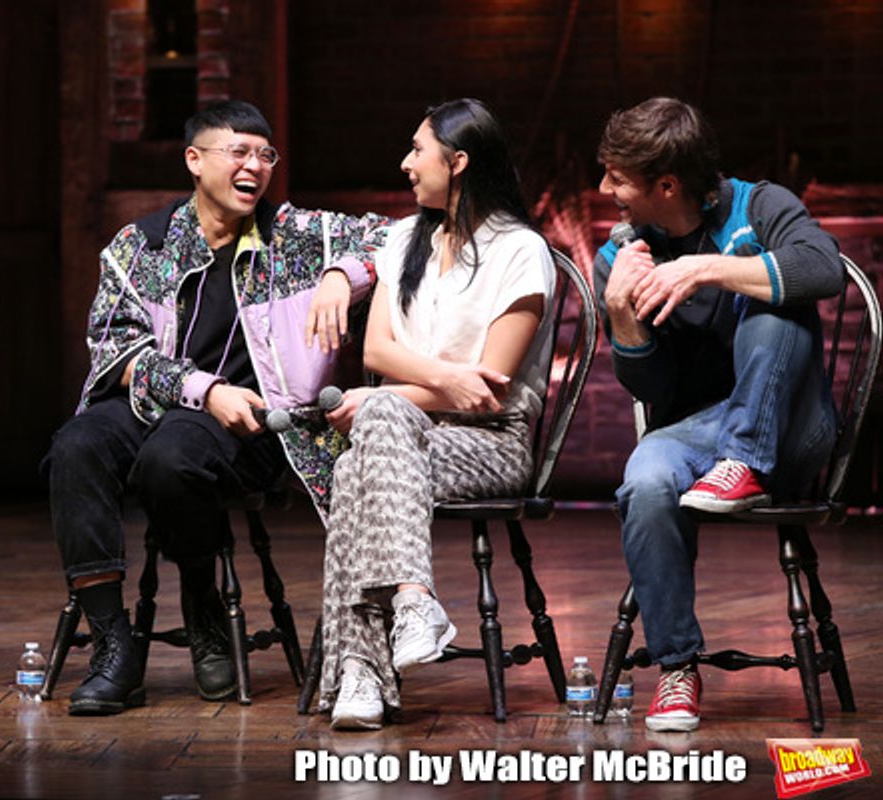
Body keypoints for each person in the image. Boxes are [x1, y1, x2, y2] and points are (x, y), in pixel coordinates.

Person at [44, 100, 387, 716]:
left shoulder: (299, 236)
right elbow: (117, 349)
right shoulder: (141, 246)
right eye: (239, 152)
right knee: (76, 446)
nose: (255, 165)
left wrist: (343, 273)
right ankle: (113, 644)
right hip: (165, 402)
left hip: (260, 423)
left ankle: (202, 600)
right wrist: (203, 388)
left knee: (172, 457)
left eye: (265, 154)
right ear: (195, 161)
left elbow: (399, 238)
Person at [592, 97, 842, 732]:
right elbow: (652, 387)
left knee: (773, 295)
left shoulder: (760, 207)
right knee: (645, 481)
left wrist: (714, 270)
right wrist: (622, 314)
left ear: (666, 185)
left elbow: (825, 269)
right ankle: (676, 669)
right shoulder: (625, 253)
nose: (604, 190)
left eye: (617, 178)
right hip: (697, 432)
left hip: (791, 429)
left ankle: (746, 460)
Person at [317, 98, 556, 730]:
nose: (405, 164)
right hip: (410, 430)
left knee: (368, 442)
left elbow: (489, 394)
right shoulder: (403, 240)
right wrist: (445, 374)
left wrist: (390, 393)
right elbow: (375, 351)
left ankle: (362, 672)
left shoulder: (521, 252)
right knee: (366, 450)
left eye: (417, 150)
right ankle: (410, 604)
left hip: (491, 442)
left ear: (459, 162)